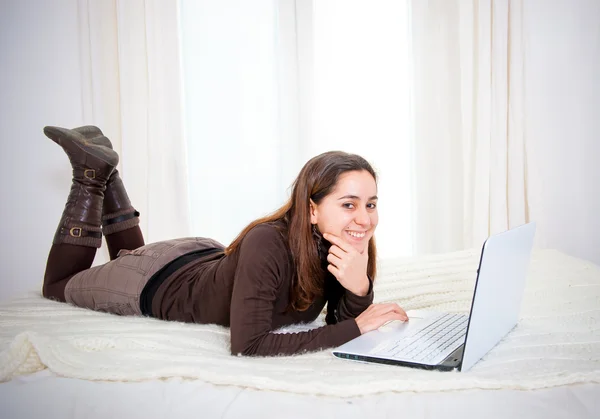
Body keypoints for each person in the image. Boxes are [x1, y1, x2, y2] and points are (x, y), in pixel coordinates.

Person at [42, 125, 408, 356]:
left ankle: (108, 175)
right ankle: (90, 176)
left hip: (201, 258)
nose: (365, 218)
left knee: (127, 255)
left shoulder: (341, 244)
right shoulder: (269, 241)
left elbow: (335, 327)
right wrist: (359, 324)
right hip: (154, 281)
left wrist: (359, 287)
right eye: (349, 204)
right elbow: (248, 345)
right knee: (57, 287)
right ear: (312, 209)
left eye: (371, 204)